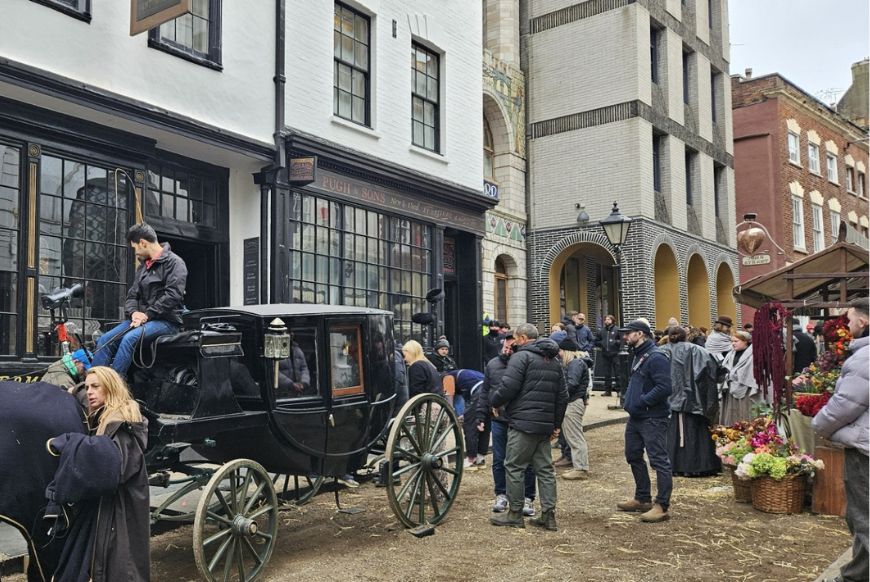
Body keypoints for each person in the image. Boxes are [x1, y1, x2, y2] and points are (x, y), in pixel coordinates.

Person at [46, 366, 149, 582]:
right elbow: (86, 394)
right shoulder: (103, 410)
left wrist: (69, 442)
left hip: (118, 511)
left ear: (110, 388)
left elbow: (112, 467)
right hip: (101, 508)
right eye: (88, 386)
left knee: (117, 567)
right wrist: (75, 390)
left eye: (96, 387)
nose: (90, 392)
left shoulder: (123, 421)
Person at [490, 323, 568, 531]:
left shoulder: (520, 357)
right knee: (545, 470)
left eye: (515, 338)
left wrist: (495, 402)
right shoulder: (554, 360)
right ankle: (548, 516)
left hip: (523, 423)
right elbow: (562, 396)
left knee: (514, 466)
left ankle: (515, 514)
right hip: (544, 425)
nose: (513, 343)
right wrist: (556, 425)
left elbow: (508, 386)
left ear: (523, 338)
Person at [812, 298, 868, 582]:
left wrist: (819, 426)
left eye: (849, 319)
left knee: (863, 517)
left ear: (863, 321)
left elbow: (845, 404)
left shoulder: (864, 357)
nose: (846, 325)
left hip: (864, 451)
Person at [93, 223, 187, 378]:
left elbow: (173, 295)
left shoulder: (175, 263)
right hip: (141, 320)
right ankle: (93, 385)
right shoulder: (142, 268)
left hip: (168, 322)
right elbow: (131, 296)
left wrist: (147, 314)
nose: (135, 252)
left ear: (143, 243)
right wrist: (134, 312)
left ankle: (115, 390)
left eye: (135, 247)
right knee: (105, 339)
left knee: (130, 339)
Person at [476, 332, 538, 517]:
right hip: (498, 420)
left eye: (511, 347)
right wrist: (480, 415)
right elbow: (485, 391)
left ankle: (528, 497)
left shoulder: (523, 364)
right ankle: (501, 494)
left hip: (518, 419)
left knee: (525, 462)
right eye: (505, 346)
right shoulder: (492, 364)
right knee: (498, 460)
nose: (507, 349)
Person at [617, 319, 673, 523]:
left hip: (652, 417)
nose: (625, 337)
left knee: (659, 461)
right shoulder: (640, 354)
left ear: (640, 334)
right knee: (632, 454)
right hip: (638, 416)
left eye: (628, 333)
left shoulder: (656, 356)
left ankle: (662, 505)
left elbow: (665, 387)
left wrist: (642, 401)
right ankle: (642, 498)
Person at [661, 326, 721, 477]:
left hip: (671, 401)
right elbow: (714, 370)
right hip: (695, 402)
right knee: (696, 434)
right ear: (685, 336)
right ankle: (699, 465)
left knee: (674, 434)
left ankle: (675, 464)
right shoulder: (698, 350)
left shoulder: (661, 351)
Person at [558, 337, 591, 481]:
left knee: (575, 436)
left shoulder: (575, 364)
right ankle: (579, 465)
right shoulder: (577, 363)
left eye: (560, 351)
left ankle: (581, 468)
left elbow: (571, 384)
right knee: (573, 435)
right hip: (575, 401)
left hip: (573, 402)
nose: (558, 354)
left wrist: (559, 394)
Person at [445, 369, 487, 469]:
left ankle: (470, 459)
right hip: (487, 388)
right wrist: (464, 414)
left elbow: (449, 399)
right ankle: (480, 458)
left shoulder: (447, 377)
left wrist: (453, 416)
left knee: (470, 426)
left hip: (478, 390)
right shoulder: (465, 376)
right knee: (484, 423)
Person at [720, 331, 762, 426]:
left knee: (745, 413)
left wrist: (735, 374)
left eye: (736, 341)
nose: (733, 343)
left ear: (745, 341)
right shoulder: (730, 354)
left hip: (746, 389)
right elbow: (726, 367)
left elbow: (752, 372)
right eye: (732, 341)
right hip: (731, 388)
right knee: (733, 413)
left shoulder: (753, 355)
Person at [595, 314, 622, 397]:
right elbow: (596, 341)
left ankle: (619, 390)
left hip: (615, 353)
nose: (607, 321)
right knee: (607, 374)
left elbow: (622, 340)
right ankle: (608, 390)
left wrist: (615, 342)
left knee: (618, 373)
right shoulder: (601, 331)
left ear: (613, 321)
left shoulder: (617, 330)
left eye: (609, 319)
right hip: (605, 354)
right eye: (606, 319)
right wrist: (601, 343)